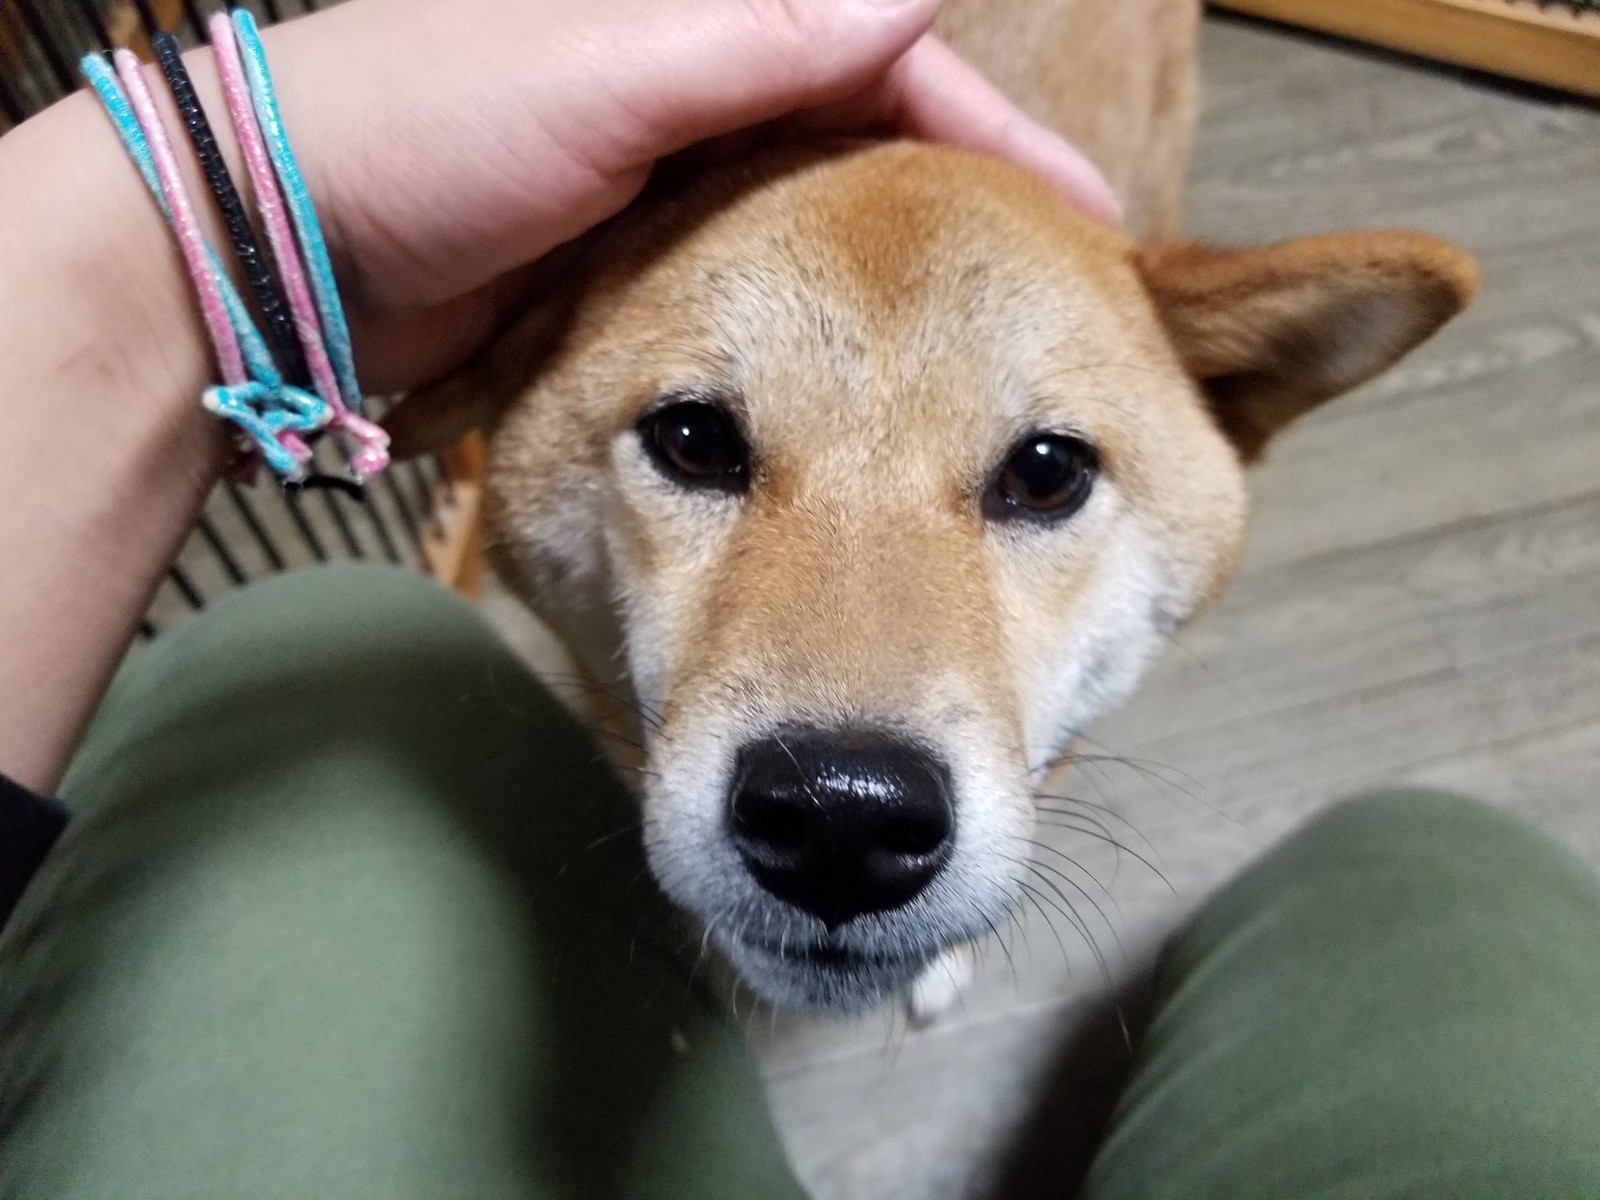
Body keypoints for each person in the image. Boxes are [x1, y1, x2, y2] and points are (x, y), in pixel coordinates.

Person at [1, 2, 1596, 1196]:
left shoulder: (1159, 336)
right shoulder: (542, 308)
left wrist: (168, 232)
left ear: (1225, 399)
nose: (859, 679)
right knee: (1427, 861)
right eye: (699, 441)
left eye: (1041, 475)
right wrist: (229, 230)